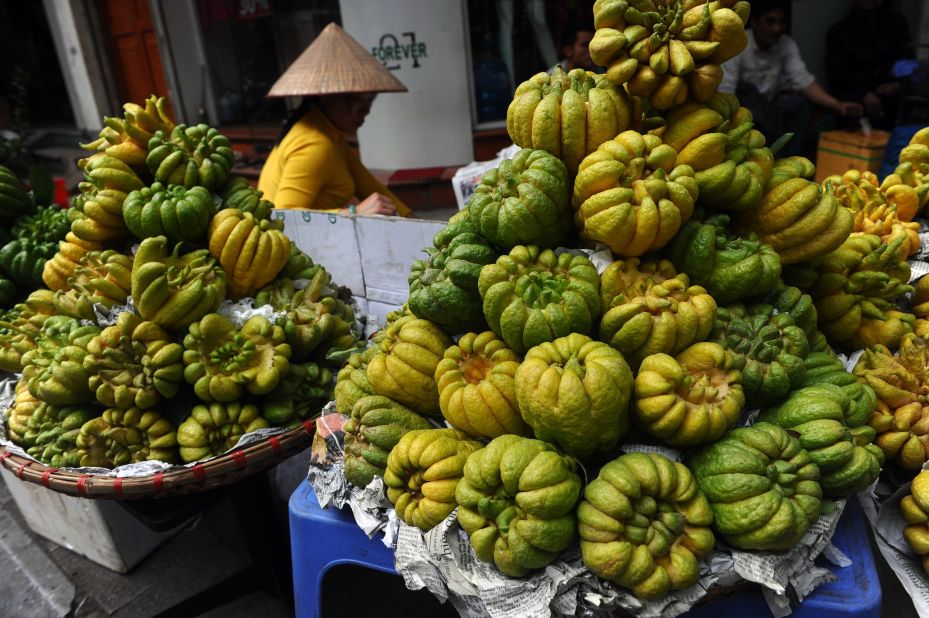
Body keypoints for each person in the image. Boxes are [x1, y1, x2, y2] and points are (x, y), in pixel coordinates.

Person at [259, 23, 411, 216]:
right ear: (326, 96)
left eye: (370, 100)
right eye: (357, 100)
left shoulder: (329, 133)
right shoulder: (315, 144)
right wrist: (355, 212)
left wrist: (410, 217)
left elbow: (368, 184)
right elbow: (285, 215)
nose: (365, 111)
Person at [719, 0, 863, 156]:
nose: (777, 28)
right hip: (745, 108)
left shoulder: (785, 44)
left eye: (781, 22)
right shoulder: (739, 45)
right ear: (754, 22)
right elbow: (727, 91)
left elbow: (802, 80)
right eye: (770, 22)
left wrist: (837, 105)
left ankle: (791, 159)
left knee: (799, 105)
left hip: (770, 105)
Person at [826, 0, 911, 130]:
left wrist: (898, 84)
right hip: (855, 92)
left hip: (892, 91)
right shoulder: (839, 31)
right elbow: (838, 73)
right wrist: (864, 93)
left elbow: (908, 61)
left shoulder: (897, 24)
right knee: (850, 106)